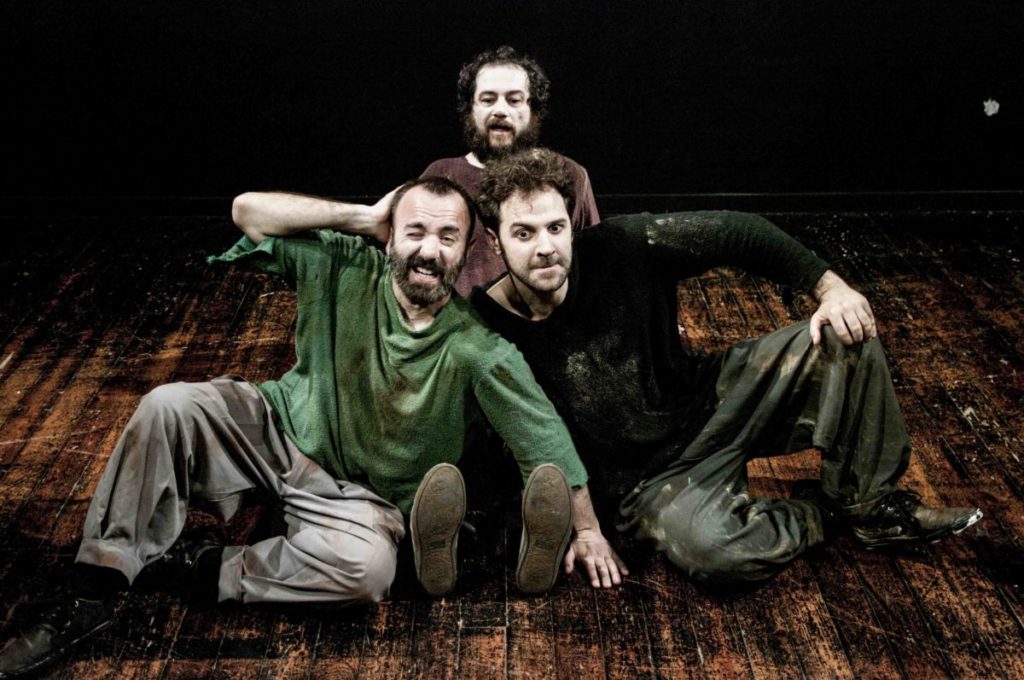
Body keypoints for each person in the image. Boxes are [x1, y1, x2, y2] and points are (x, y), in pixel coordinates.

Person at [0, 177, 621, 679]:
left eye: (447, 237)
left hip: (362, 500)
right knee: (169, 406)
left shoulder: (479, 350)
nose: (429, 250)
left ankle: (197, 566)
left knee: (366, 573)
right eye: (415, 232)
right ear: (390, 236)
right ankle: (92, 589)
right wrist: (360, 217)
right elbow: (247, 211)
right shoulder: (343, 264)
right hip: (279, 432)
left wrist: (588, 529)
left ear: (466, 251)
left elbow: (543, 436)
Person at [469, 148, 983, 586]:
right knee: (721, 556)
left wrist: (830, 288)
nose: (546, 248)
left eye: (556, 227)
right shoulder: (488, 329)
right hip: (648, 483)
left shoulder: (621, 246)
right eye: (524, 233)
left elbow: (738, 231)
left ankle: (871, 505)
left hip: (712, 402)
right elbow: (531, 439)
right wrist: (578, 525)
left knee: (846, 332)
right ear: (494, 240)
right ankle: (822, 513)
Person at [420, 45, 600, 294]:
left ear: (532, 109)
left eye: (514, 100)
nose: (500, 110)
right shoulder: (440, 175)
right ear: (470, 108)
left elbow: (594, 263)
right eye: (488, 100)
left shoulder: (569, 174)